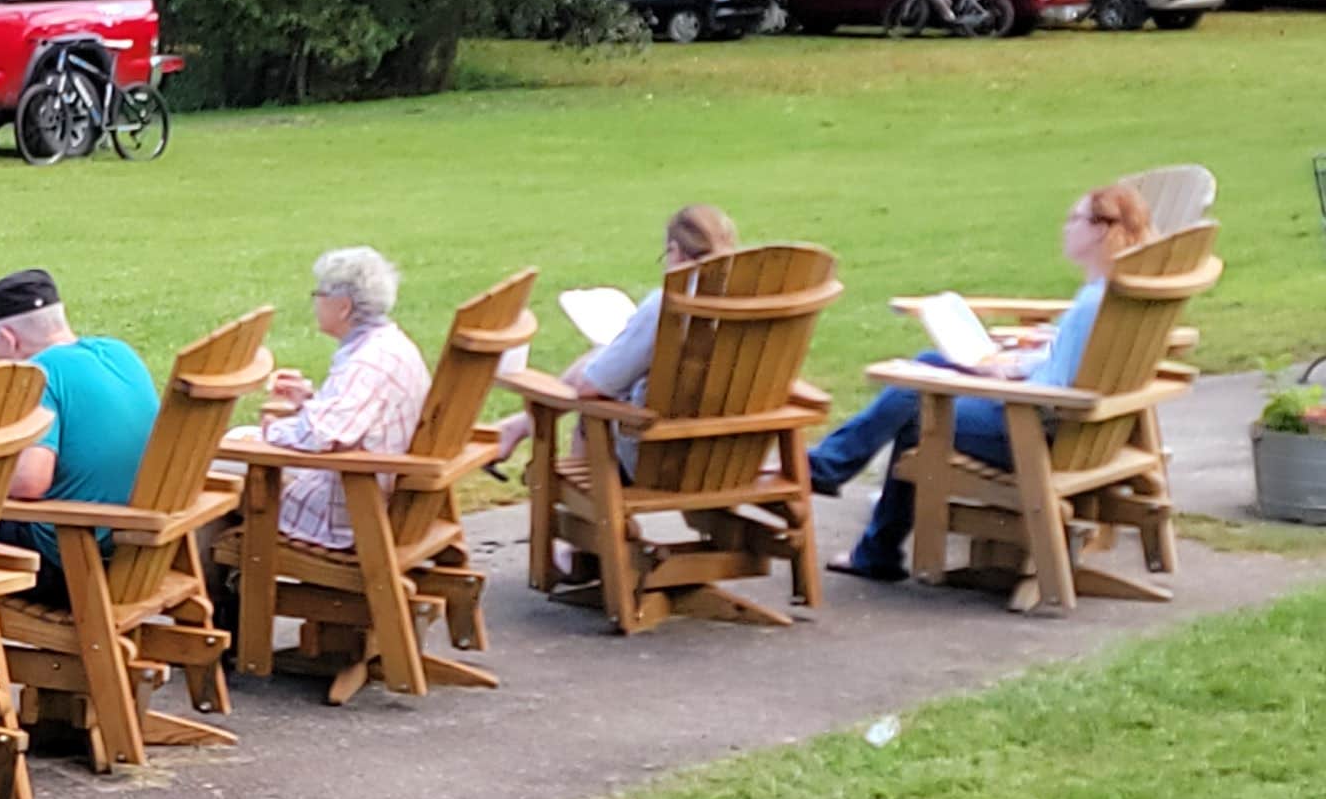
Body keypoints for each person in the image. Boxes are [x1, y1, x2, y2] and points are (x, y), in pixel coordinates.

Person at [809, 180, 1155, 580]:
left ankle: (827, 473)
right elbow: (1072, 363)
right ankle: (873, 547)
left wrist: (997, 376)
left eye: (1074, 219)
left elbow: (1055, 389)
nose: (1066, 226)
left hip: (1035, 436)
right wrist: (1017, 360)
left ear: (1100, 229)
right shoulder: (1116, 294)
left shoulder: (1092, 306)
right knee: (929, 367)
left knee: (916, 398)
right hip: (1082, 432)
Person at [488, 203, 737, 468]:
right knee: (599, 361)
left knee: (592, 403)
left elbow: (591, 387)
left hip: (660, 462)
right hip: (735, 457)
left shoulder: (668, 307)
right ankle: (517, 427)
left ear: (675, 252)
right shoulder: (763, 302)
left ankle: (579, 506)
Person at [0, 266, 160, 570]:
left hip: (77, 555)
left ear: (9, 339)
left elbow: (29, 483)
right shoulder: (119, 352)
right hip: (140, 543)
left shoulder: (38, 374)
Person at [261, 246, 431, 551]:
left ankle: (230, 581)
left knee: (229, 470)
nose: (314, 303)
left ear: (342, 306)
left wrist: (270, 429)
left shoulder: (365, 361)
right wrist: (309, 399)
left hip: (353, 508)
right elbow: (360, 412)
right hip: (384, 491)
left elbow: (324, 435)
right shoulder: (390, 342)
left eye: (319, 295)